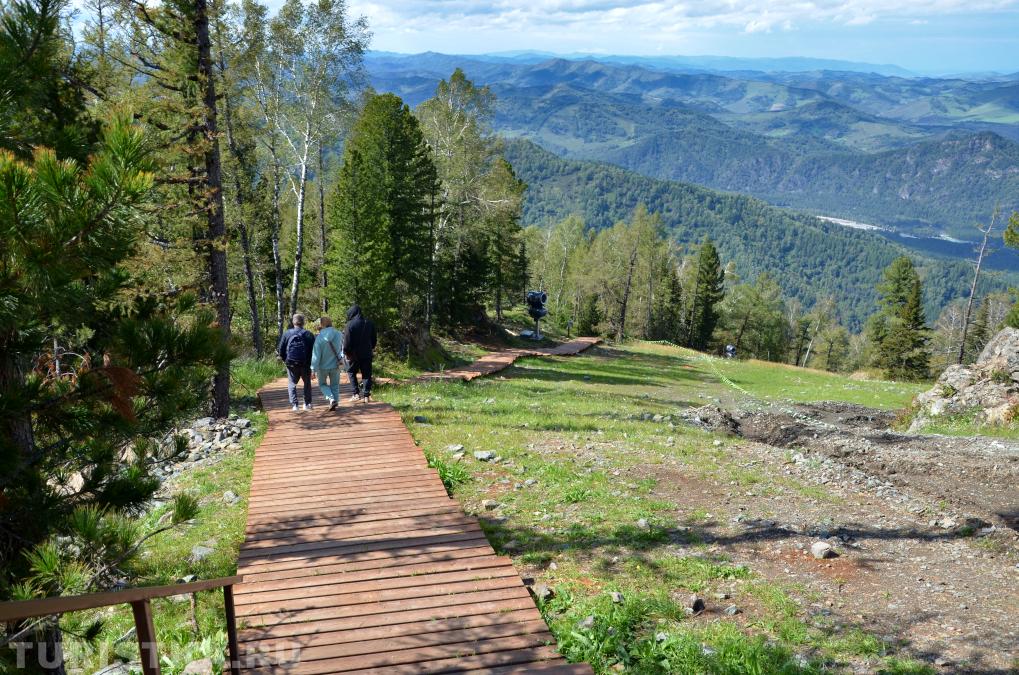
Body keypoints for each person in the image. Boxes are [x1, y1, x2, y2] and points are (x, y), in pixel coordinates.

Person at [277, 313, 316, 411]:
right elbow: (314, 350)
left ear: (293, 322)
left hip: (291, 364)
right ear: (303, 322)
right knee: (307, 383)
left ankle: (295, 405)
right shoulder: (309, 334)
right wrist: (312, 363)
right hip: (305, 363)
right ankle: (307, 404)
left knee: (291, 383)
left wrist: (285, 359)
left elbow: (281, 349)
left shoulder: (287, 333)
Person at [342, 304, 377, 402]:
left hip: (354, 355)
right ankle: (366, 396)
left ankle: (356, 394)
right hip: (366, 353)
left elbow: (347, 341)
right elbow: (374, 339)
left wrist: (346, 352)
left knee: (351, 372)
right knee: (366, 374)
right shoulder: (369, 323)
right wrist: (371, 348)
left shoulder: (350, 324)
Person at [311, 315, 344, 411]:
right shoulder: (339, 334)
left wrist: (313, 369)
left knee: (322, 384)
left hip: (323, 366)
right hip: (336, 365)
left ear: (322, 324)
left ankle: (331, 399)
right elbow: (341, 348)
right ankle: (335, 401)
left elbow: (316, 355)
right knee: (335, 385)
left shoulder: (319, 337)